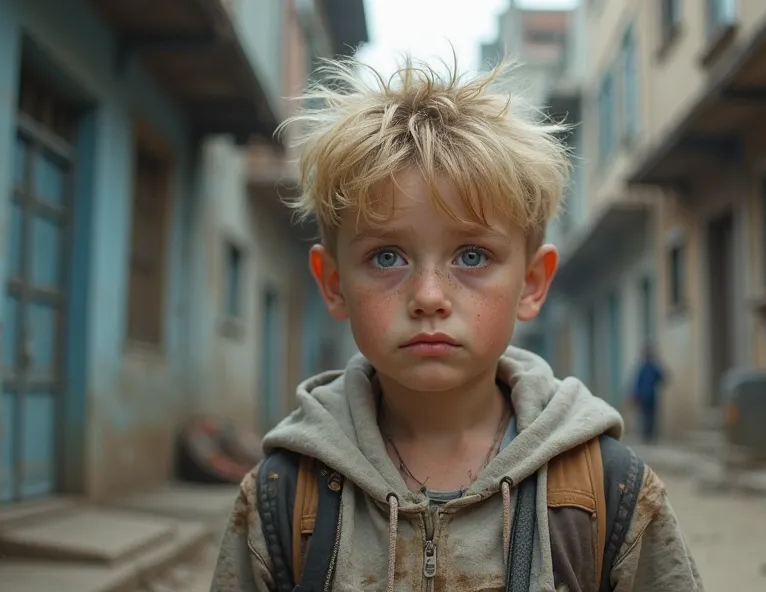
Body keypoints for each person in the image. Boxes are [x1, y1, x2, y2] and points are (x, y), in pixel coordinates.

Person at [210, 55, 702, 592]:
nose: (428, 297)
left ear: (533, 283)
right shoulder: (283, 499)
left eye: (471, 256)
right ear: (333, 285)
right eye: (386, 257)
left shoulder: (606, 493)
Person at [629, 344, 667, 444]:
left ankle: (651, 436)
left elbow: (663, 378)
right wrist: (635, 395)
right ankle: (646, 436)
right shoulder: (642, 367)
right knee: (645, 417)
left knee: (652, 417)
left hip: (651, 396)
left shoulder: (654, 367)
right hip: (644, 396)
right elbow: (637, 382)